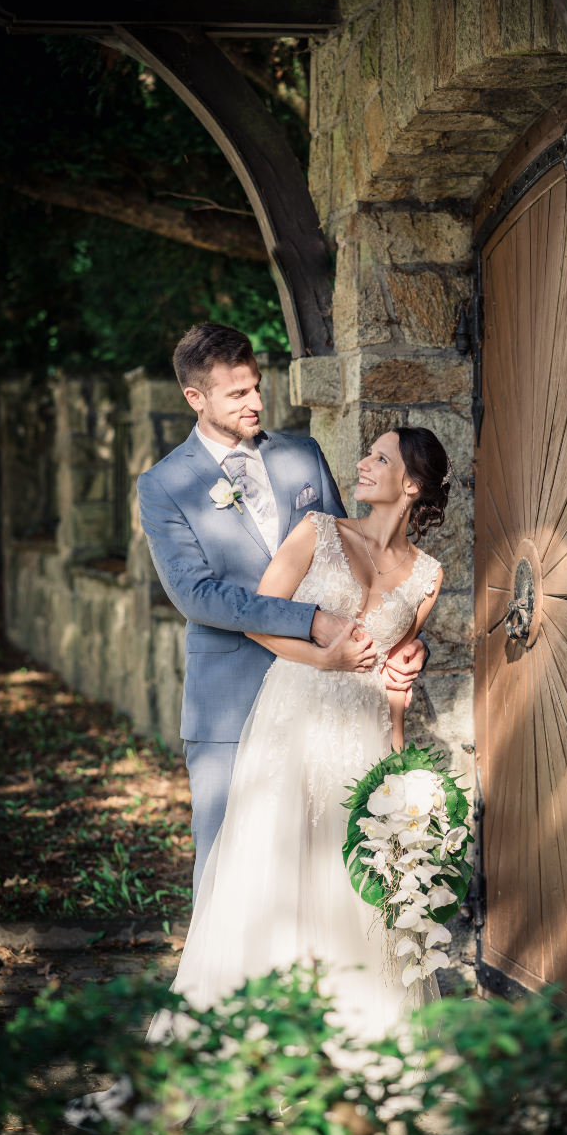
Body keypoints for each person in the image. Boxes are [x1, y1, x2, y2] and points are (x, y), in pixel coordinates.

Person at [148, 424, 448, 1045]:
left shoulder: (428, 576)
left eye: (380, 458)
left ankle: (348, 1047)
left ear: (411, 485)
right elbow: (262, 616)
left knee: (351, 887)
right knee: (269, 871)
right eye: (368, 453)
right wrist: (323, 660)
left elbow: (397, 667)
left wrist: (396, 731)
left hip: (362, 733)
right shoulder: (317, 532)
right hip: (291, 716)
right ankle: (251, 1043)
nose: (361, 464)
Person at [136, 323, 428, 895]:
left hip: (327, 698)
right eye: (236, 394)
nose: (255, 403)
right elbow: (197, 595)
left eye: (256, 387)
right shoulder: (165, 484)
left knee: (322, 865)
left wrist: (402, 642)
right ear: (195, 398)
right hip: (230, 698)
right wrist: (310, 621)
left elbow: (358, 565)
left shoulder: (302, 455)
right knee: (226, 871)